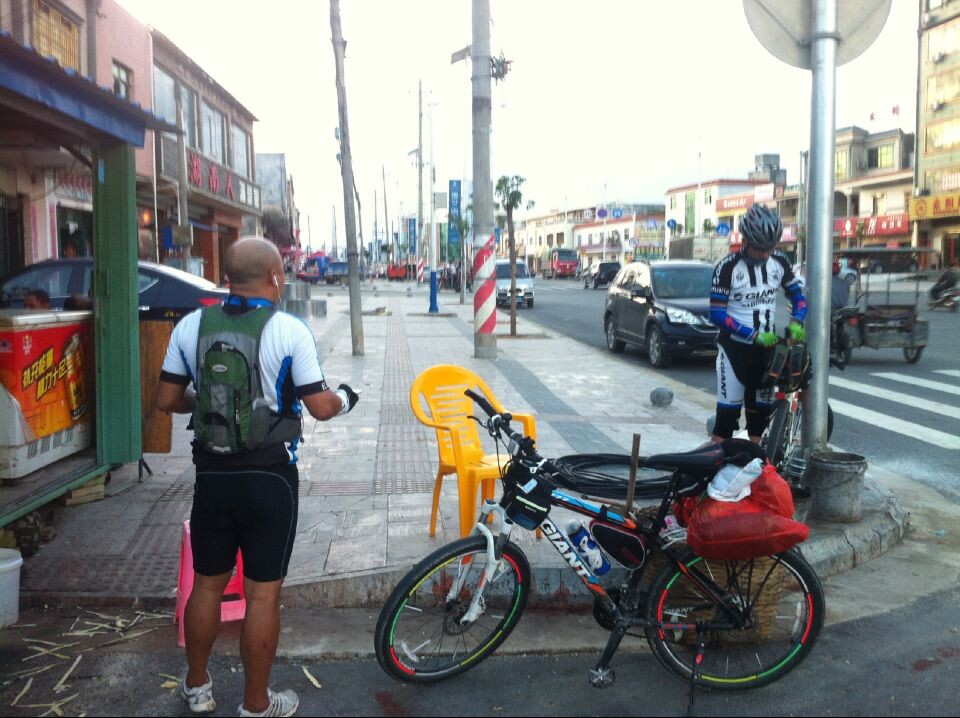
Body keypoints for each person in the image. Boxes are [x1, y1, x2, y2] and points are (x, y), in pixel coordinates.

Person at [156, 236, 359, 717]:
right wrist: (347, 397)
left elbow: (166, 400)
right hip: (271, 479)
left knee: (206, 585)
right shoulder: (289, 330)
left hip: (212, 477)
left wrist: (209, 404)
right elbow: (320, 406)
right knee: (262, 594)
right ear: (275, 277)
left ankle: (197, 688)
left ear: (227, 278)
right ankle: (256, 705)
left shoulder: (190, 326)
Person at [709, 205, 807, 445]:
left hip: (767, 351)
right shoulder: (727, 267)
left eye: (769, 248)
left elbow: (799, 299)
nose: (764, 254)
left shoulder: (780, 262)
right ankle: (717, 467)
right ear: (746, 240)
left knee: (758, 422)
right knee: (725, 423)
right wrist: (752, 335)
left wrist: (797, 322)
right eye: (759, 248)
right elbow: (716, 314)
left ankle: (757, 466)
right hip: (734, 350)